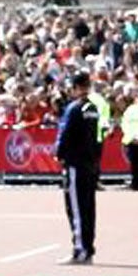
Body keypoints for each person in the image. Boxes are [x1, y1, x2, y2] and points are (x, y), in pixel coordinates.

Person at [56, 70, 102, 264]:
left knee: (76, 208)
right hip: (90, 163)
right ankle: (88, 247)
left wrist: (59, 154)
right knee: (88, 207)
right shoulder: (93, 108)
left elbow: (65, 134)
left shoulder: (74, 108)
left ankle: (80, 249)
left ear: (75, 88)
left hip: (75, 163)